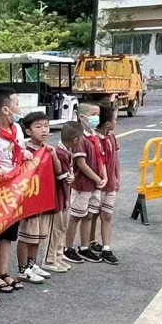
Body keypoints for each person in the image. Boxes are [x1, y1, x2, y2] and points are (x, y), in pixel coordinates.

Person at [0, 88, 27, 292]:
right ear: (5, 109)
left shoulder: (17, 129)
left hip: (15, 189)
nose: (19, 108)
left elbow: (20, 150)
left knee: (10, 233)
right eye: (16, 103)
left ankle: (4, 272)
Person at [16, 111, 57, 283]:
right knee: (26, 236)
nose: (44, 130)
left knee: (38, 236)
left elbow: (58, 171)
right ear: (28, 131)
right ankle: (22, 268)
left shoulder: (47, 150)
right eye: (38, 127)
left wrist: (53, 155)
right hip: (29, 201)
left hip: (44, 200)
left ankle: (32, 264)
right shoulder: (24, 151)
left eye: (46, 126)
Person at [63, 105, 106, 264]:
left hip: (95, 185)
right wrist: (97, 178)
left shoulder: (94, 136)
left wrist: (103, 176)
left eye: (98, 114)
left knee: (89, 215)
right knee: (76, 216)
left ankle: (84, 246)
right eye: (93, 114)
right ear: (82, 117)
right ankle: (67, 248)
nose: (96, 117)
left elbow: (101, 159)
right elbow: (81, 164)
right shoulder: (80, 139)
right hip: (83, 185)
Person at [44, 121, 81, 273]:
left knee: (62, 228)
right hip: (59, 197)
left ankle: (58, 257)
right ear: (75, 140)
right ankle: (49, 259)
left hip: (65, 196)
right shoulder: (60, 153)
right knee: (56, 229)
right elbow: (61, 176)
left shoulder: (66, 152)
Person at [94, 102, 121, 266]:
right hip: (97, 185)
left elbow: (116, 160)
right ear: (107, 124)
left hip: (110, 184)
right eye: (114, 120)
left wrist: (117, 177)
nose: (116, 122)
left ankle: (106, 247)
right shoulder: (93, 139)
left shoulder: (112, 138)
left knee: (107, 214)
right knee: (92, 215)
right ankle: (90, 243)